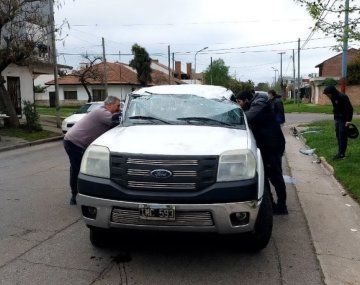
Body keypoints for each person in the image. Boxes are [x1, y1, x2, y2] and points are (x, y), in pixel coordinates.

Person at [236, 90, 288, 215]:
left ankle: (282, 207)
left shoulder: (259, 105)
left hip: (272, 146)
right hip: (265, 146)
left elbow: (247, 117)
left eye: (239, 102)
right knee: (264, 177)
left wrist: (233, 114)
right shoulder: (255, 104)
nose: (238, 105)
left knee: (275, 177)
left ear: (246, 100)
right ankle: (270, 205)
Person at [63, 96, 121, 205]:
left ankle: (81, 193)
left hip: (75, 142)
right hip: (74, 143)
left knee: (82, 168)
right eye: (117, 106)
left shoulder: (103, 111)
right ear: (109, 104)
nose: (119, 108)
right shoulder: (102, 112)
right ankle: (75, 195)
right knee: (78, 169)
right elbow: (116, 120)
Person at [323, 85, 353, 160]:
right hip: (338, 119)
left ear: (331, 92)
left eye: (327, 94)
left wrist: (349, 121)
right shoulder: (333, 97)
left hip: (344, 119)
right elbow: (336, 107)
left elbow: (350, 109)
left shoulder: (342, 97)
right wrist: (335, 115)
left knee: (343, 135)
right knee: (338, 135)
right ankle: (340, 152)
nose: (327, 96)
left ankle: (342, 154)